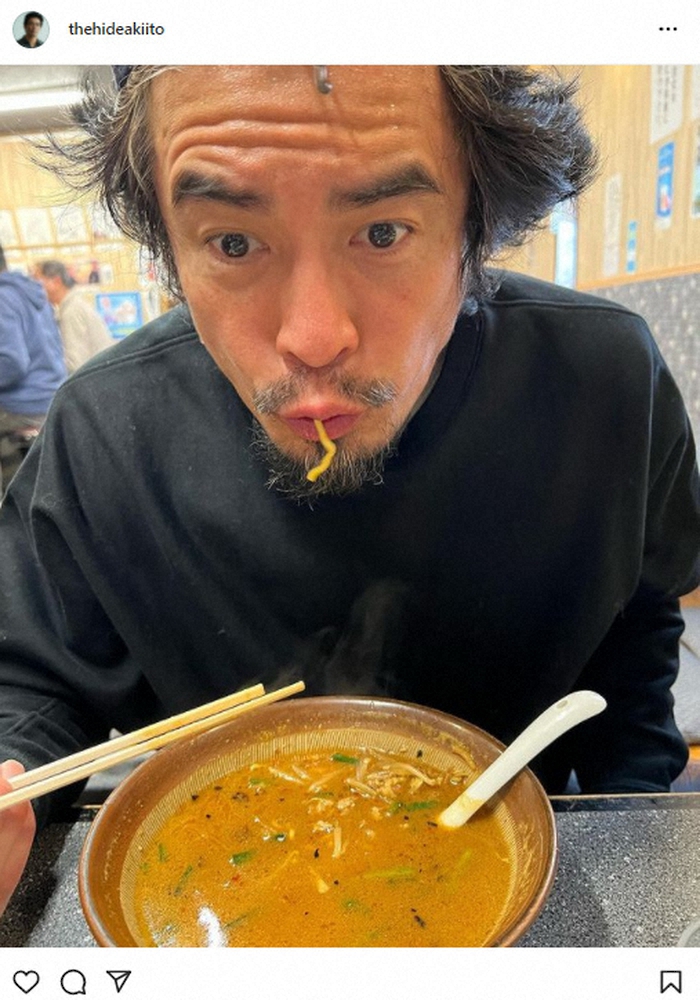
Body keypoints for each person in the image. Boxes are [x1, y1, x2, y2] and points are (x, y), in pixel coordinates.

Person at [0, 65, 698, 917]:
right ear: (169, 250)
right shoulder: (105, 427)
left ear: (476, 226)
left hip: (534, 870)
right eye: (232, 243)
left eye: (383, 231)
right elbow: (33, 682)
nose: (313, 337)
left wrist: (633, 832)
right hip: (224, 887)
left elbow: (639, 622)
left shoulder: (602, 380)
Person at [0, 243, 66, 496]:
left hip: (21, 407)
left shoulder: (3, 298)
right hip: (49, 398)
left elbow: (12, 362)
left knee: (19, 496)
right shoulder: (31, 292)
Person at [37, 260, 113, 373]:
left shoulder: (71, 311)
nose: (35, 289)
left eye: (38, 283)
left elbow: (75, 364)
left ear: (56, 282)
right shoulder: (75, 305)